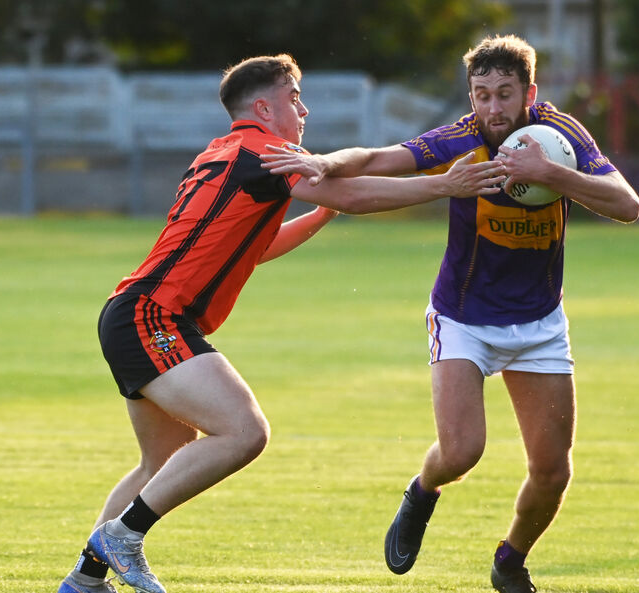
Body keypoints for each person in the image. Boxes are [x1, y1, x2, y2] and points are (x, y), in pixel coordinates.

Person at [56, 53, 505, 593]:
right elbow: (356, 192)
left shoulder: (223, 153)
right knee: (245, 432)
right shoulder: (264, 152)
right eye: (295, 98)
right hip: (155, 317)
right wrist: (443, 186)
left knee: (163, 462)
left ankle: (85, 578)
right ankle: (123, 536)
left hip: (136, 312)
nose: (304, 109)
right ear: (265, 107)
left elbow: (255, 245)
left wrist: (320, 213)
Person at [260, 35, 639, 593]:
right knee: (463, 452)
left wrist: (550, 174)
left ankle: (510, 559)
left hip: (538, 323)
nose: (491, 109)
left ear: (529, 93)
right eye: (481, 94)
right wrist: (324, 160)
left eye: (504, 94)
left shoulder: (558, 136)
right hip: (463, 317)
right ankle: (422, 490)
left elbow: (626, 204)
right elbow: (376, 158)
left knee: (553, 472)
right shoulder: (461, 138)